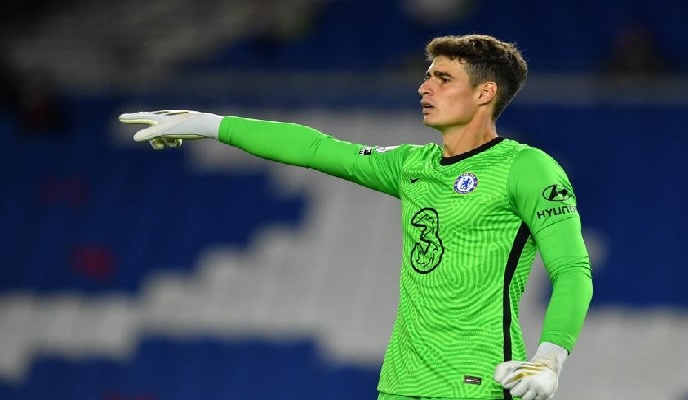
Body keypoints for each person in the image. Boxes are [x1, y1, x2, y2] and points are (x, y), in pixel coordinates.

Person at [119, 34, 593, 400]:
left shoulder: (526, 168)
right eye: (427, 76)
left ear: (485, 92)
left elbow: (572, 269)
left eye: (443, 78)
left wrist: (549, 358)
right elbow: (315, 148)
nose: (424, 87)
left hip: (478, 382)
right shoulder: (412, 165)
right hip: (401, 383)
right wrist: (211, 124)